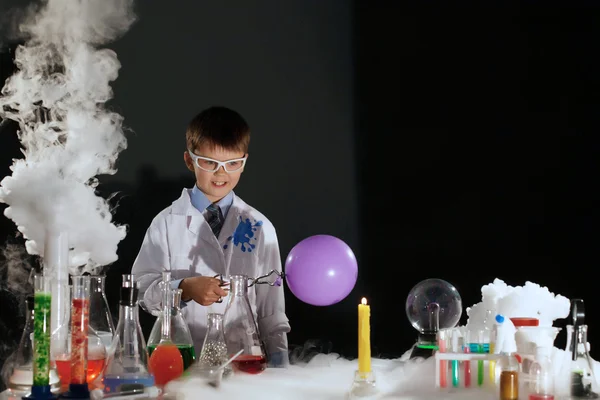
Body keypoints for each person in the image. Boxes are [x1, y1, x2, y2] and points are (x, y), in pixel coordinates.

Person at [131, 106, 290, 367]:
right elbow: (142, 290)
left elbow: (272, 311)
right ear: (189, 160)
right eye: (209, 162)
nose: (221, 173)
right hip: (183, 362)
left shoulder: (261, 227)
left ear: (244, 162)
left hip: (245, 362)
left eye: (232, 164)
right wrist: (183, 288)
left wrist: (280, 368)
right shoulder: (166, 224)